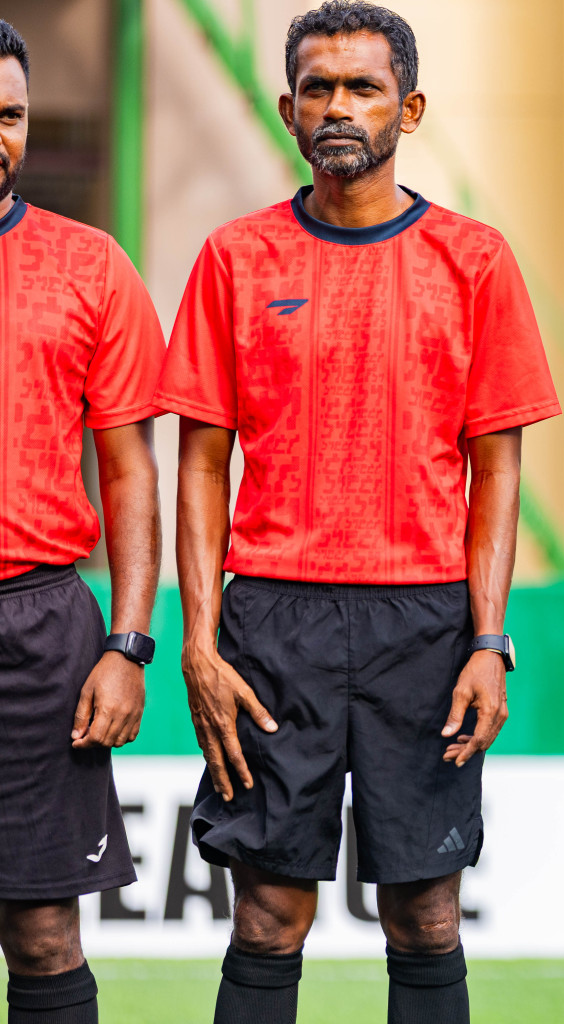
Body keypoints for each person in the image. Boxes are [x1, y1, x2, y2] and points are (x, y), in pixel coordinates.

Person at [153, 4, 559, 1023]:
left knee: (423, 913)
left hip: (423, 625)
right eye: (319, 87)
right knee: (268, 914)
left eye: (363, 87)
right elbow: (200, 464)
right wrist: (198, 641)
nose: (340, 106)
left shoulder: (475, 260)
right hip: (271, 622)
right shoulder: (233, 259)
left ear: (409, 108)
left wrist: (489, 638)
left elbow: (495, 468)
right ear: (289, 109)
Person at [0, 20, 165, 1024]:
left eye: (10, 114)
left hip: (39, 630)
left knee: (46, 932)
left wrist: (129, 644)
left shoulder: (90, 265)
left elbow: (130, 473)